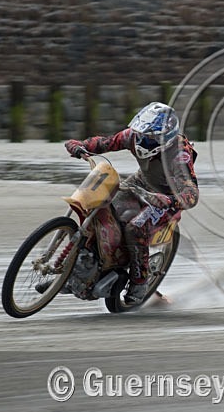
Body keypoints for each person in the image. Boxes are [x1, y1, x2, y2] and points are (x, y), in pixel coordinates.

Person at [64, 102, 198, 303]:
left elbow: (191, 193)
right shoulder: (133, 136)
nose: (143, 141)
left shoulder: (180, 155)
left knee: (136, 227)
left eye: (150, 138)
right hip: (140, 182)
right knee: (100, 207)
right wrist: (81, 146)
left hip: (165, 198)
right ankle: (72, 269)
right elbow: (105, 143)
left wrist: (168, 200)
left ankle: (140, 281)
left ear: (165, 139)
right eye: (142, 134)